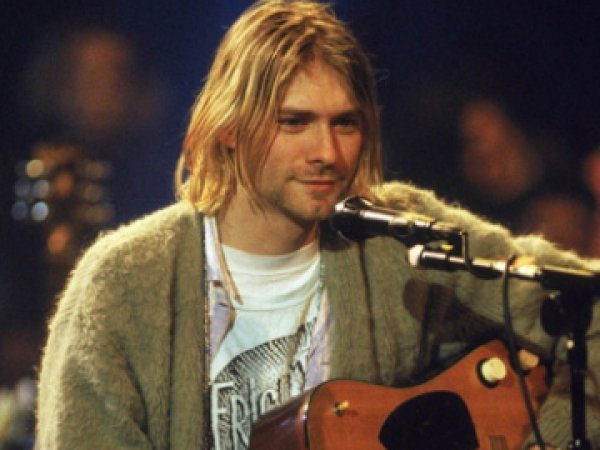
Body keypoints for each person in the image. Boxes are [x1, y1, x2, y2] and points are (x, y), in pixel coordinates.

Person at [36, 1, 600, 449]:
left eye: (345, 124)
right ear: (229, 127)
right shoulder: (122, 284)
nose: (327, 153)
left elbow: (589, 311)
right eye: (295, 122)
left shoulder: (397, 243)